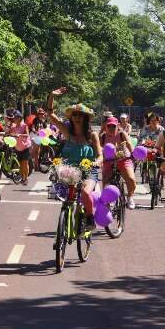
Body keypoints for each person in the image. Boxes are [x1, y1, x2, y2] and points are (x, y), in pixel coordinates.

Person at [47, 87, 102, 230]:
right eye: (75, 115)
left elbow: (100, 155)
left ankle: (90, 219)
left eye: (81, 115)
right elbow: (50, 115)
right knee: (65, 198)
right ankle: (65, 224)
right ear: (71, 117)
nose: (78, 117)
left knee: (84, 193)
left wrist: (96, 162)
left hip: (88, 171)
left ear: (85, 118)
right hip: (69, 171)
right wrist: (51, 96)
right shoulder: (67, 133)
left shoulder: (92, 136)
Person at [101, 117, 137, 209]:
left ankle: (130, 197)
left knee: (131, 179)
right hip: (108, 161)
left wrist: (133, 154)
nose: (111, 128)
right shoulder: (103, 136)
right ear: (106, 127)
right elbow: (98, 149)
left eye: (113, 126)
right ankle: (107, 200)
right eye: (109, 126)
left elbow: (129, 144)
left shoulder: (122, 134)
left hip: (124, 159)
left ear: (117, 126)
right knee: (105, 181)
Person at [9, 110, 32, 185]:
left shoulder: (24, 125)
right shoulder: (13, 126)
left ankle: (26, 178)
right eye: (13, 118)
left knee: (25, 163)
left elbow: (27, 135)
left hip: (25, 147)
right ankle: (23, 178)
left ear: (19, 118)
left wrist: (19, 135)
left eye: (15, 118)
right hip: (18, 147)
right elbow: (9, 133)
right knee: (21, 164)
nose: (14, 119)